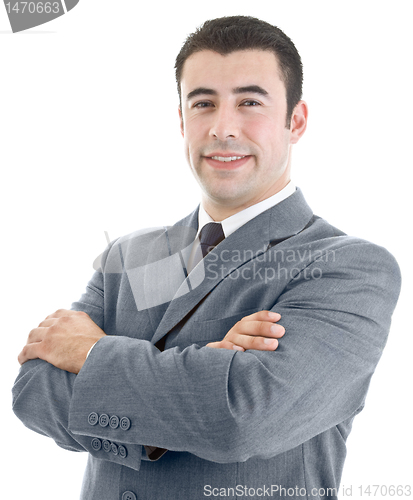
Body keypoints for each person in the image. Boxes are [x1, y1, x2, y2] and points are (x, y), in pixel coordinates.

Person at [12, 16, 401, 500]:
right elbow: (33, 394)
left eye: (250, 102)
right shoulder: (127, 257)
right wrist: (199, 381)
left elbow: (242, 419)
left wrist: (90, 354)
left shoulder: (349, 267)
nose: (222, 127)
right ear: (182, 120)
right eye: (203, 104)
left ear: (295, 121)